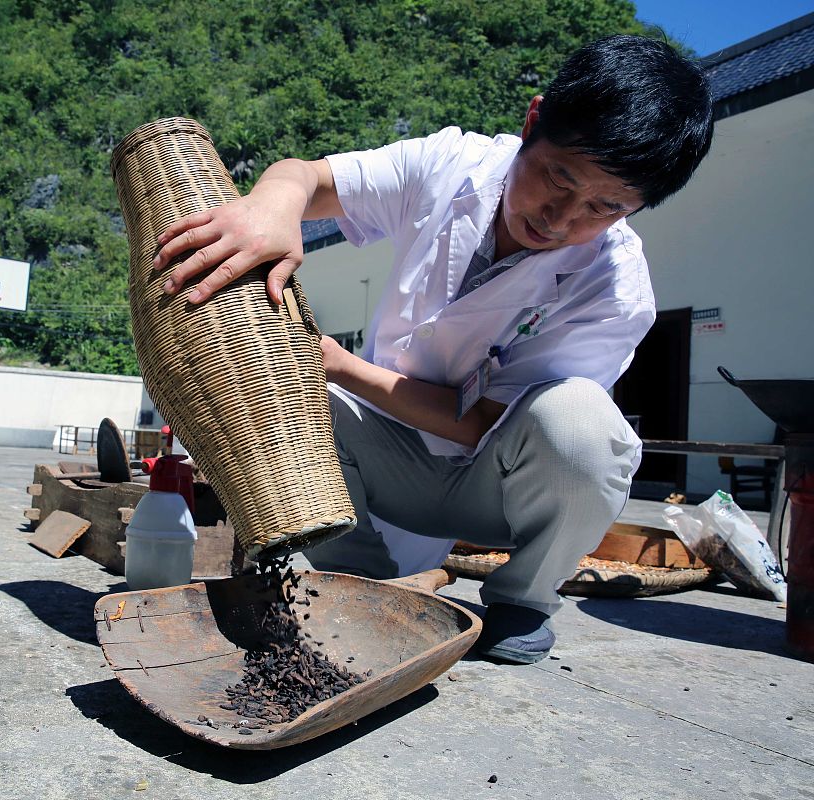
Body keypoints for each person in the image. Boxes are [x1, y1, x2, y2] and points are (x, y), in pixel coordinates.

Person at [151, 35, 714, 663]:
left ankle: (522, 600)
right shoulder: (453, 164)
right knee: (292, 389)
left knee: (583, 424)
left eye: (604, 208)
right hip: (385, 463)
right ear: (533, 122)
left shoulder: (615, 287)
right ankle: (353, 583)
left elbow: (479, 424)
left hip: (496, 492)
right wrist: (273, 209)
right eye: (558, 178)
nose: (560, 219)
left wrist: (339, 363)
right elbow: (306, 177)